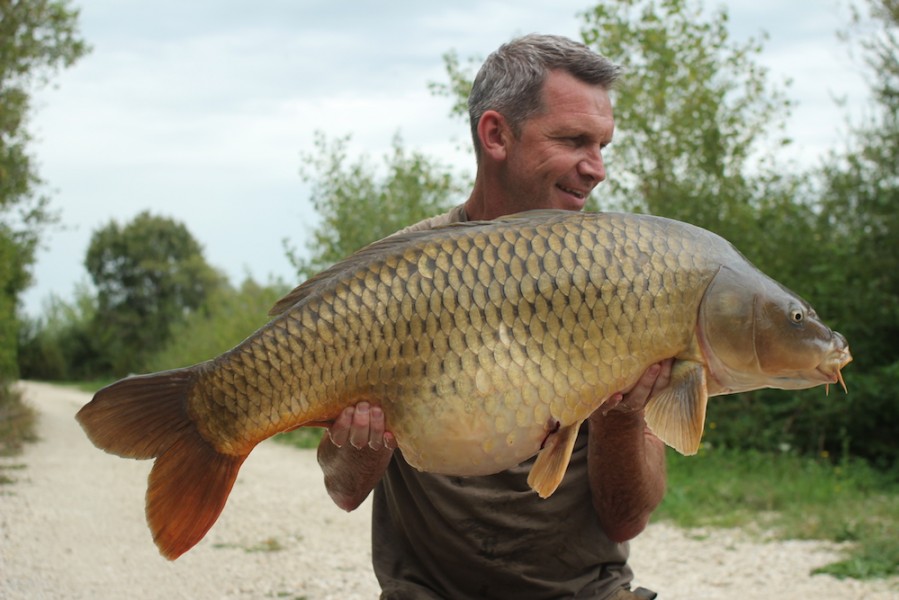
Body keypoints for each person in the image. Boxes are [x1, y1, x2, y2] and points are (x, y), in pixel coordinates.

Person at [317, 34, 673, 600]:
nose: (598, 168)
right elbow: (343, 489)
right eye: (575, 140)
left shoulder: (626, 278)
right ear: (496, 135)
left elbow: (626, 520)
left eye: (603, 145)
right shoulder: (394, 278)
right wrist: (365, 445)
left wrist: (622, 419)